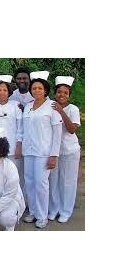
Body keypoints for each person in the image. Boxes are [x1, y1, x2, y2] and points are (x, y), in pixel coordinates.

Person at [22, 71, 63, 229]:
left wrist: (54, 155)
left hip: (44, 152)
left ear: (45, 90)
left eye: (40, 88)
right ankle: (33, 212)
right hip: (28, 151)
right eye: (34, 88)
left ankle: (42, 216)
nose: (37, 90)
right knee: (29, 182)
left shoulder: (52, 106)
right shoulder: (27, 106)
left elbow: (57, 133)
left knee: (41, 184)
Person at [48, 76, 81, 224]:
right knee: (53, 181)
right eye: (59, 92)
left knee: (67, 181)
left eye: (65, 92)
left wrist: (61, 111)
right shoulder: (51, 106)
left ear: (69, 95)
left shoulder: (73, 109)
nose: (62, 95)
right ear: (55, 93)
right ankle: (54, 209)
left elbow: (72, 129)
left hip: (69, 151)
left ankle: (65, 211)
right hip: (54, 150)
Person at [0, 75, 23, 175]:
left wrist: (19, 145)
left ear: (9, 92)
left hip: (13, 147)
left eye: (5, 90)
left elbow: (20, 127)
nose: (2, 93)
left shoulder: (16, 105)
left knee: (14, 175)